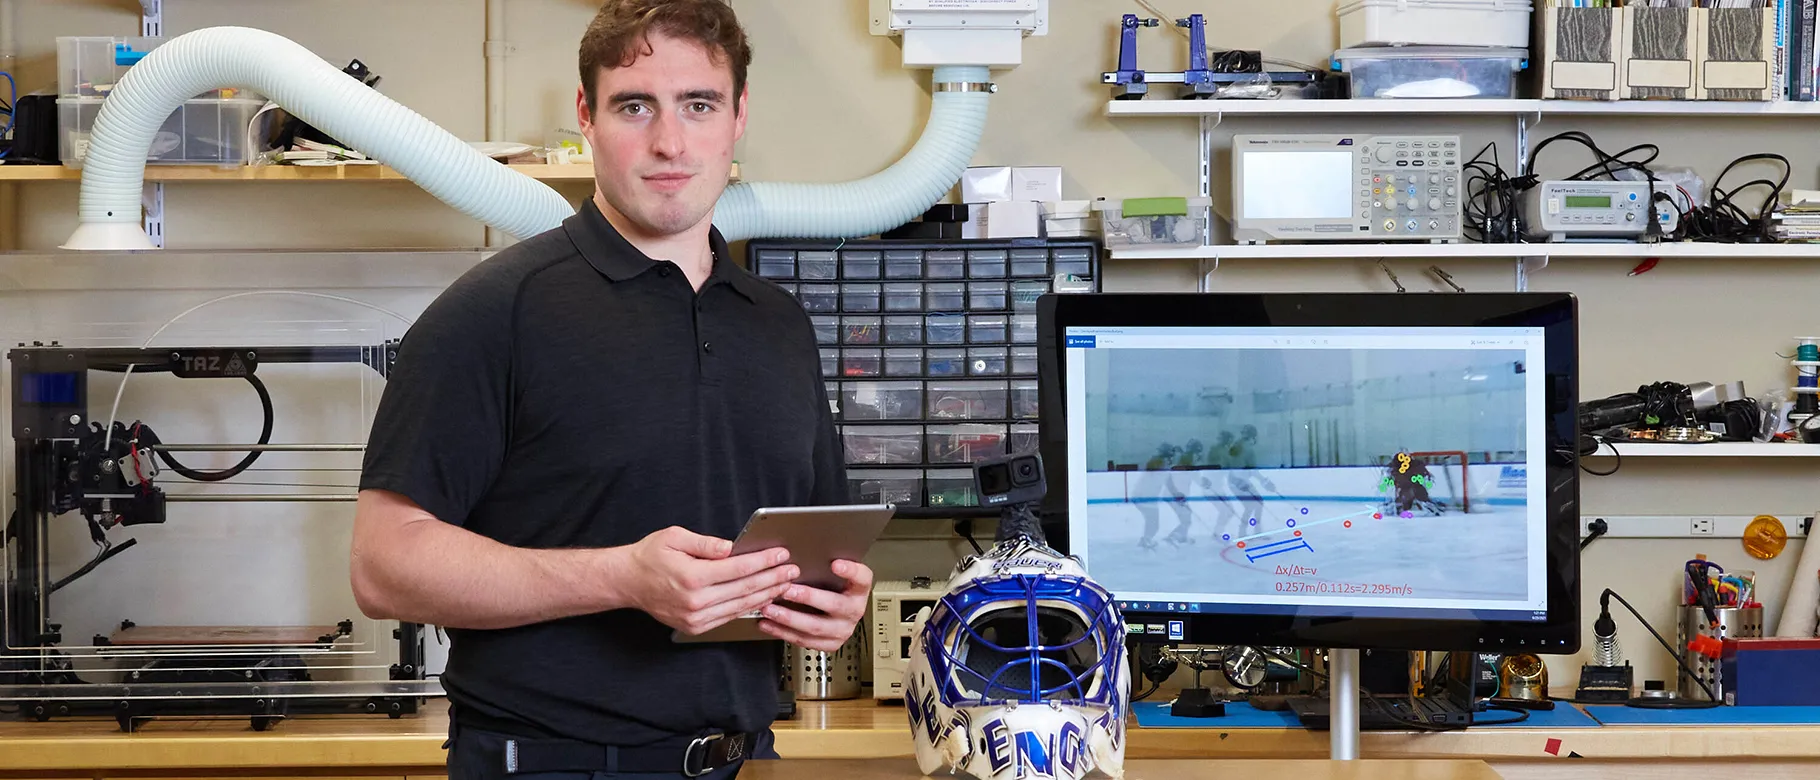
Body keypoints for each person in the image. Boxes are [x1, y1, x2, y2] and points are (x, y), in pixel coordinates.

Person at [348, 3, 870, 779]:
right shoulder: (496, 311)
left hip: (746, 757)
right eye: (636, 106)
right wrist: (621, 577)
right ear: (587, 117)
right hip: (552, 763)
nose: (670, 141)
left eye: (699, 105)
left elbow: (808, 550)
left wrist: (833, 607)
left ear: (738, 117)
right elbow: (382, 566)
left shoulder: (779, 326)